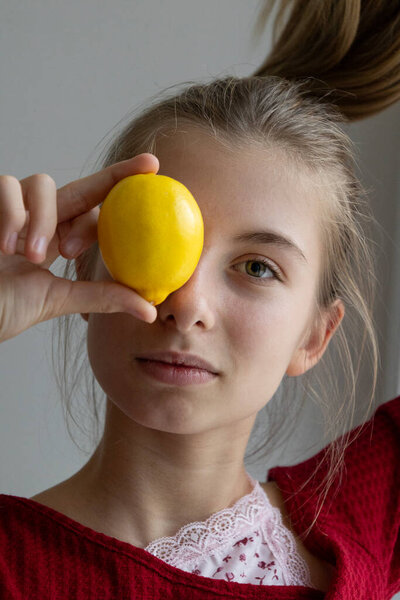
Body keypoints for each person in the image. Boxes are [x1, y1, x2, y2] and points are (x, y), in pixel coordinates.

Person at [0, 1, 399, 598]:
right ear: (86, 264)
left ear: (315, 334)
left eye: (258, 267)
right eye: (152, 245)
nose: (187, 305)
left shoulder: (355, 527)